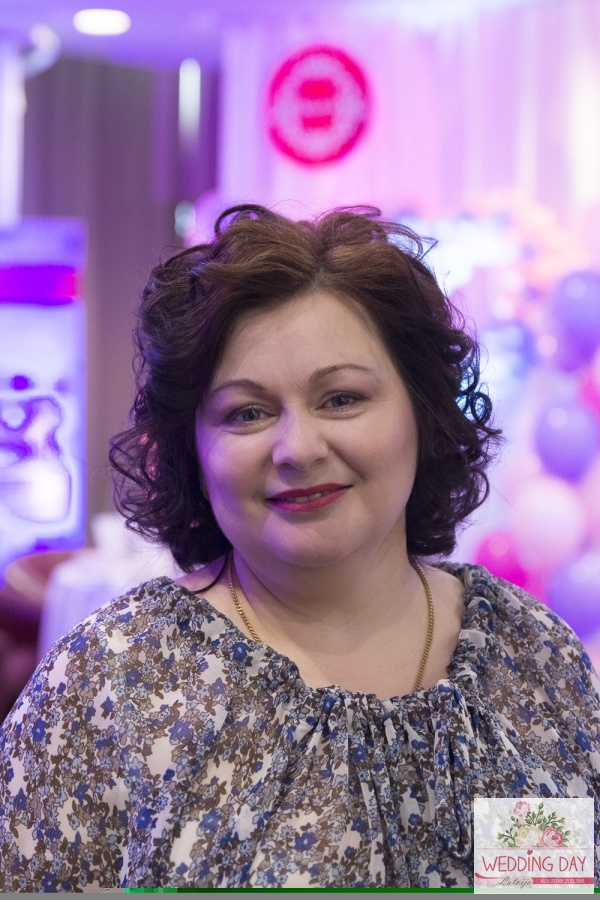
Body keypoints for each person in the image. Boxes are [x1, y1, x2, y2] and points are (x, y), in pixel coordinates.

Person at [1, 204, 599, 891]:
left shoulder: (529, 661)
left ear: (423, 410)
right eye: (247, 413)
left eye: (341, 398)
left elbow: (554, 885)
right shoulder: (113, 684)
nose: (298, 448)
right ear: (193, 450)